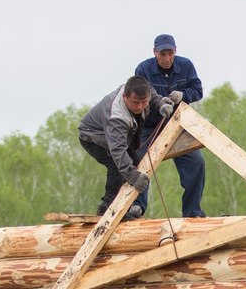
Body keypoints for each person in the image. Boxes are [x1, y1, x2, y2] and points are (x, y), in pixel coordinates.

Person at [133, 33, 207, 218]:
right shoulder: (143, 70)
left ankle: (192, 212)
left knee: (196, 163)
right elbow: (140, 96)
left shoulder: (186, 66)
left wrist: (184, 95)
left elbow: (198, 91)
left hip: (178, 125)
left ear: (175, 51)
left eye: (170, 54)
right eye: (162, 54)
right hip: (150, 126)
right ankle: (136, 207)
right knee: (138, 161)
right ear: (154, 52)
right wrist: (158, 103)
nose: (166, 59)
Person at [78, 76, 171, 217]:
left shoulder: (140, 89)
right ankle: (107, 208)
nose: (140, 107)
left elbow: (150, 90)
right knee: (118, 166)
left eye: (144, 102)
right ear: (125, 97)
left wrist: (160, 105)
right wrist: (133, 177)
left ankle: (128, 207)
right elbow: (118, 151)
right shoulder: (116, 117)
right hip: (92, 136)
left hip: (116, 137)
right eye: (135, 103)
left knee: (136, 162)